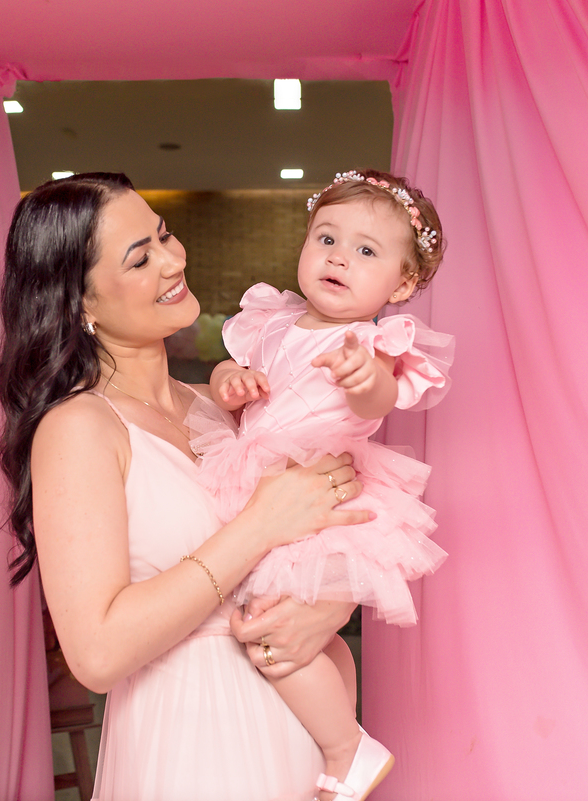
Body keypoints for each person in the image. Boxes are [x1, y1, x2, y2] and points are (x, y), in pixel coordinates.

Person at [0, 172, 372, 801]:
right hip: (192, 746)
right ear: (80, 304)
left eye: (164, 235)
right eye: (140, 258)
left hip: (296, 734)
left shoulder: (227, 407)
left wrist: (329, 607)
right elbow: (96, 653)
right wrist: (258, 526)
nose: (173, 261)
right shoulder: (80, 426)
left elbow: (337, 530)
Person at [191, 169, 454, 801]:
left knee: (267, 628)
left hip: (320, 496)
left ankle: (346, 750)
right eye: (326, 239)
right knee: (311, 635)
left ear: (402, 283)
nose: (338, 257)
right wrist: (230, 381)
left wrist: (364, 376)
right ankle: (332, 745)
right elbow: (234, 371)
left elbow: (376, 400)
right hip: (259, 485)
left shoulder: (371, 342)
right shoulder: (271, 322)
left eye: (366, 251)